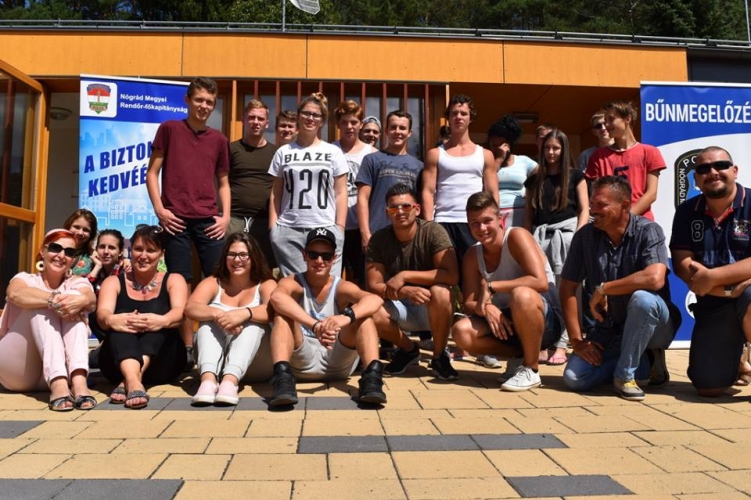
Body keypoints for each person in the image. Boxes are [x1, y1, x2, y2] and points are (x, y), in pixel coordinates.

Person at [561, 176, 679, 401]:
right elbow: (567, 288)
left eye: (601, 205)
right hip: (610, 329)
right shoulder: (584, 236)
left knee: (643, 299)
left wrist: (604, 289)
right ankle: (645, 363)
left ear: (625, 205)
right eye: (592, 204)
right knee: (575, 378)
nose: (593, 210)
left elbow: (655, 279)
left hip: (656, 327)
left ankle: (625, 376)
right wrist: (577, 342)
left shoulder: (649, 230)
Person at [146, 77, 230, 369]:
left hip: (208, 219)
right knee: (181, 284)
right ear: (188, 100)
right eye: (199, 100)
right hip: (175, 220)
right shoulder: (169, 129)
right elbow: (152, 173)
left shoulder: (219, 140)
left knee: (219, 281)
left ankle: (220, 344)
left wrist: (225, 217)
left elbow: (223, 182)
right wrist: (160, 210)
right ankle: (188, 349)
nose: (204, 106)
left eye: (209, 102)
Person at [452, 192, 563, 391]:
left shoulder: (517, 236)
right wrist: (486, 307)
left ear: (500, 220)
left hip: (547, 320)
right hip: (508, 321)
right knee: (461, 331)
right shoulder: (472, 255)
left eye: (487, 221)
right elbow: (468, 303)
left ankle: (531, 369)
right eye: (475, 223)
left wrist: (492, 286)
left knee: (521, 294)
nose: (482, 228)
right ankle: (518, 358)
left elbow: (540, 282)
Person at [267, 227, 386, 407]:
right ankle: (282, 378)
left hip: (337, 361)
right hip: (300, 360)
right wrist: (315, 325)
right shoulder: (294, 282)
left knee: (364, 317)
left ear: (334, 258)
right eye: (313, 255)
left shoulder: (340, 286)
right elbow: (277, 298)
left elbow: (375, 300)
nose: (319, 261)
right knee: (282, 316)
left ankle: (372, 380)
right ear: (304, 255)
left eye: (326, 256)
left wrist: (344, 318)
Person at [670, 146, 751, 396]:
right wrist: (724, 289)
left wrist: (713, 277)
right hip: (713, 302)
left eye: (721, 166)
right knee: (708, 387)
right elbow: (682, 262)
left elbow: (706, 277)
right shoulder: (686, 211)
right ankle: (737, 356)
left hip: (747, 294)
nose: (713, 172)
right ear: (696, 179)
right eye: (704, 169)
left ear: (734, 170)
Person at [367, 184, 460, 380]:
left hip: (432, 305)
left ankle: (439, 356)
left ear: (417, 209)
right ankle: (408, 350)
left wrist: (405, 276)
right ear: (387, 212)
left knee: (442, 291)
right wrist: (404, 291)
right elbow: (373, 285)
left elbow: (451, 275)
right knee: (371, 308)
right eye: (394, 208)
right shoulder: (379, 239)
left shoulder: (433, 231)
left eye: (406, 206)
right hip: (400, 304)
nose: (400, 212)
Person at [0, 229, 97, 411]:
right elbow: (15, 294)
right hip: (17, 370)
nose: (61, 255)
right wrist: (54, 300)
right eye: (55, 248)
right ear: (43, 251)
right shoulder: (25, 278)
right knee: (42, 305)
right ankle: (58, 383)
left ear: (73, 259)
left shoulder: (76, 282)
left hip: (59, 372)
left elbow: (90, 298)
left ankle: (79, 383)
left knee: (74, 299)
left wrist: (80, 301)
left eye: (69, 252)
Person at [97, 225, 189, 409]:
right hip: (116, 364)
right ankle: (133, 381)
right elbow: (102, 314)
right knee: (120, 322)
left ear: (161, 254)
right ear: (131, 251)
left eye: (151, 250)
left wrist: (160, 321)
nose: (143, 255)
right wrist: (112, 319)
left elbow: (180, 313)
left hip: (163, 364)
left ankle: (129, 380)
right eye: (138, 249)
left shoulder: (174, 279)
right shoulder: (113, 281)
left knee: (161, 322)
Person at [185, 233, 276, 406]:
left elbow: (272, 311)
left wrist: (245, 314)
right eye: (232, 254)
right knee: (207, 323)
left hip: (256, 365)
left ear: (254, 257)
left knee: (254, 325)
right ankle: (208, 381)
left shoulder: (266, 283)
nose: (237, 260)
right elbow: (190, 307)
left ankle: (230, 382)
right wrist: (219, 315)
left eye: (243, 255)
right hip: (216, 363)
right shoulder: (213, 282)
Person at [524, 129, 589, 365]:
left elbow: (584, 209)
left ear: (564, 149)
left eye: (556, 148)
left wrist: (579, 238)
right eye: (547, 148)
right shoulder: (534, 179)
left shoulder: (576, 176)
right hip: (539, 238)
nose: (551, 152)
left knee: (567, 290)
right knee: (542, 289)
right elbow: (528, 214)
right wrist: (526, 240)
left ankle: (562, 344)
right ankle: (545, 343)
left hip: (567, 237)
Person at [268, 93, 348, 278]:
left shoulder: (333, 152)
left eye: (316, 115)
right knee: (295, 286)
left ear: (322, 121)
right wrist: (274, 229)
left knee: (326, 286)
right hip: (289, 230)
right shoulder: (283, 152)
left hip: (325, 227)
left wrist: (340, 228)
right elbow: (276, 193)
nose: (310, 118)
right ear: (298, 116)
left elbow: (341, 192)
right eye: (306, 113)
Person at [422, 94, 498, 267]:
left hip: (474, 223)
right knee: (444, 274)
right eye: (454, 113)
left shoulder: (485, 155)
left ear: (471, 118)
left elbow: (492, 192)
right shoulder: (435, 154)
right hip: (443, 222)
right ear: (448, 118)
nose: (458, 117)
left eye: (463, 113)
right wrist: (428, 226)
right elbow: (428, 191)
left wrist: (494, 221)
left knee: (476, 273)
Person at [586, 100, 665, 221]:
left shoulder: (649, 152)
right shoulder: (598, 156)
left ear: (627, 119)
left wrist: (626, 218)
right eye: (605, 121)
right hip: (608, 223)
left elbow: (651, 193)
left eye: (611, 119)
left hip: (641, 222)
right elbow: (596, 194)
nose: (607, 125)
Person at [356, 110, 423, 253]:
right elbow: (362, 198)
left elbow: (421, 203)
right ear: (386, 131)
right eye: (393, 127)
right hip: (377, 234)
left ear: (409, 133)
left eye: (402, 128)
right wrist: (365, 233)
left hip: (408, 237)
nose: (397, 132)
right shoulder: (371, 160)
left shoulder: (419, 166)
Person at [228, 99, 278, 268]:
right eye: (251, 117)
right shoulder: (231, 149)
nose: (256, 122)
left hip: (264, 221)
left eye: (260, 118)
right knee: (232, 267)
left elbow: (279, 189)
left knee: (265, 268)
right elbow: (219, 182)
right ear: (243, 120)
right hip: (234, 219)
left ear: (267, 124)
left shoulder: (276, 153)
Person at [333, 100, 377, 285]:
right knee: (332, 279)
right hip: (334, 224)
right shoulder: (330, 151)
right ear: (338, 125)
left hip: (362, 228)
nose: (349, 127)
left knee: (363, 279)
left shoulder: (372, 154)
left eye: (353, 122)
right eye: (344, 122)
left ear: (361, 124)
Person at [86, 229, 127, 368]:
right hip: (104, 331)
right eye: (102, 246)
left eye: (112, 247)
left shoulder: (127, 271)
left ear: (120, 251)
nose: (106, 251)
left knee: (94, 361)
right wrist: (97, 267)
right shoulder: (92, 269)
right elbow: (82, 290)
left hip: (124, 331)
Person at [490, 115, 538, 229]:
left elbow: (542, 174)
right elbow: (486, 181)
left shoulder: (523, 161)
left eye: (500, 144)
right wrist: (498, 160)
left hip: (520, 213)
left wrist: (530, 193)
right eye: (493, 144)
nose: (496, 148)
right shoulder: (488, 163)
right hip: (495, 213)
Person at [63, 208, 98, 277]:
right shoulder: (54, 249)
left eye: (86, 230)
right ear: (68, 226)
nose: (80, 233)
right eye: (76, 227)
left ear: (91, 234)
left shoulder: (93, 256)